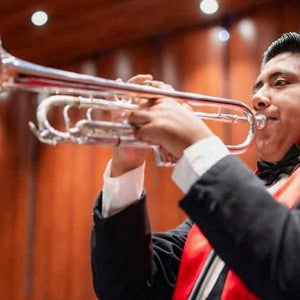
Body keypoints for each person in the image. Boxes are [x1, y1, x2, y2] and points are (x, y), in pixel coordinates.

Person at [91, 32, 300, 299]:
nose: (258, 99)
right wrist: (126, 166)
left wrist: (197, 146)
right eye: (257, 88)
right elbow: (126, 289)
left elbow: (290, 269)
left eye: (280, 82)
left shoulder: (230, 197)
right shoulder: (230, 202)